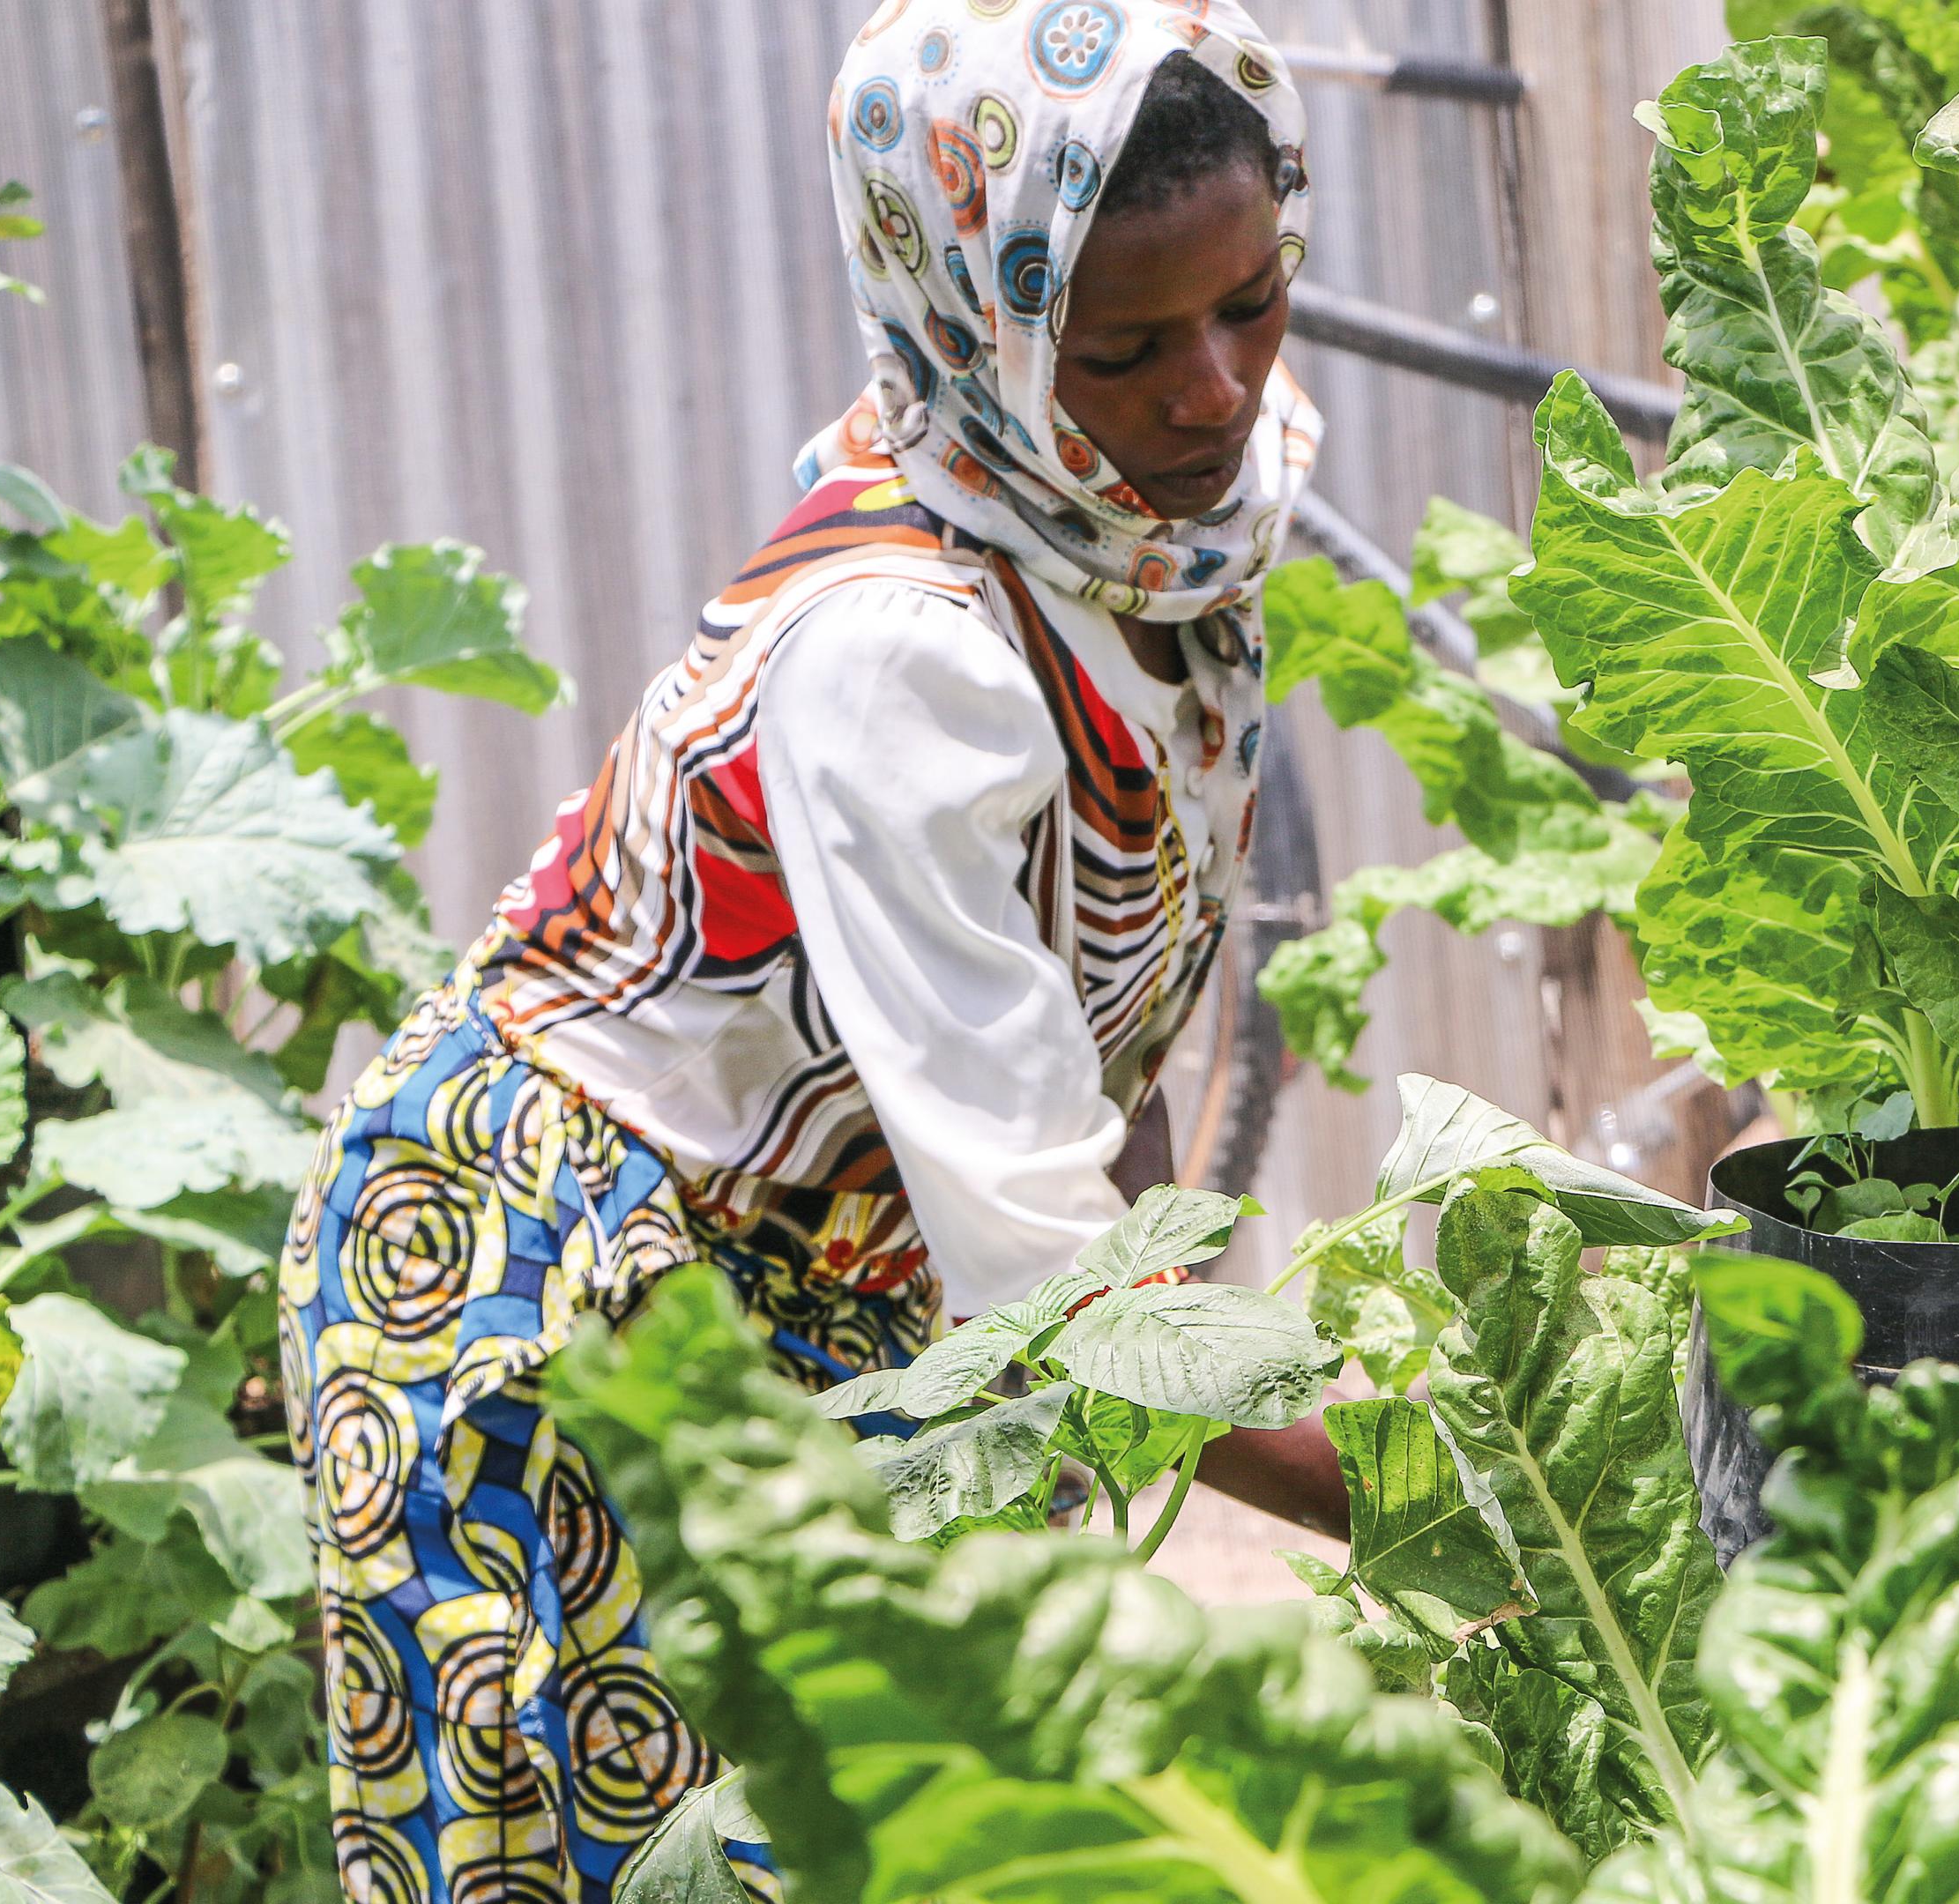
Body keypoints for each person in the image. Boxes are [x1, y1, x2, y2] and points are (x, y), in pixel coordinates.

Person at [279, 6, 1341, 1897]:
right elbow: (1046, 1260)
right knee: (700, 1851)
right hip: (558, 1280)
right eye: (1123, 347)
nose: (1215, 388)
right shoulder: (902, 656)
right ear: (980, 329)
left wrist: (1174, 1323)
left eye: (1251, 304)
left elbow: (1096, 1065)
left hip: (818, 1260)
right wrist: (1425, 1499)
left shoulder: (1136, 514)